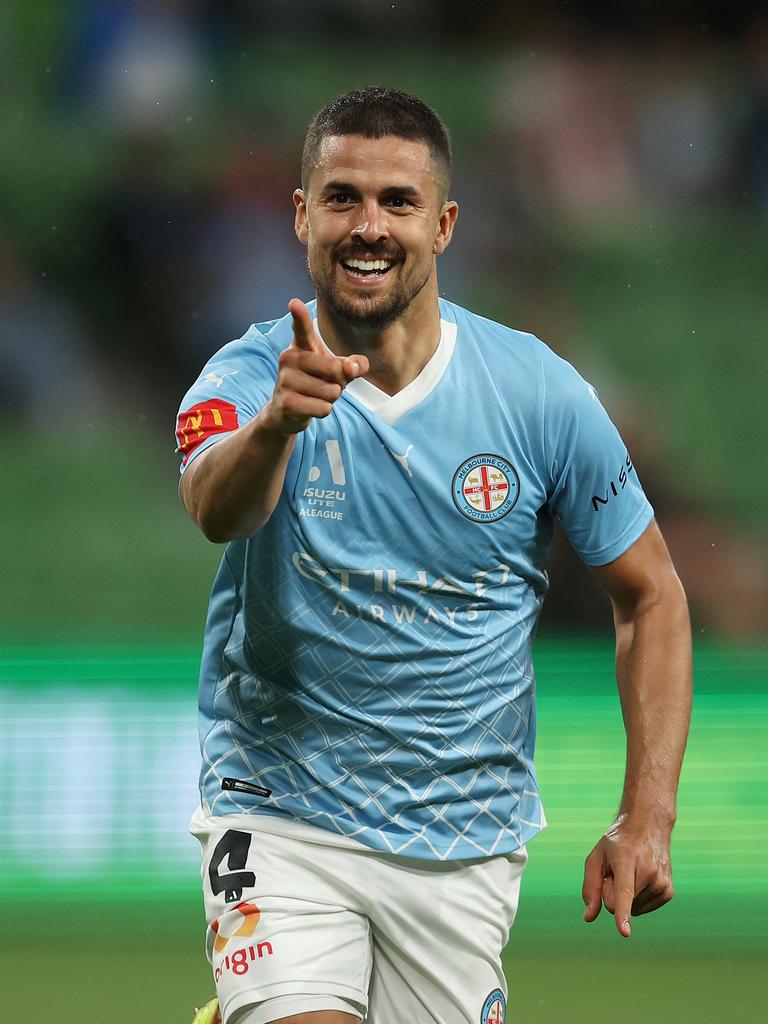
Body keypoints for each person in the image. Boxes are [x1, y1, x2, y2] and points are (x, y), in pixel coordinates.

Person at [176, 87, 692, 1024]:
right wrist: (277, 427)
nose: (367, 226)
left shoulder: (539, 395)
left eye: (398, 202)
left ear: (444, 224)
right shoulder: (250, 376)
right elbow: (218, 510)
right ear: (301, 215)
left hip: (462, 837)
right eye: (341, 197)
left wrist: (645, 815)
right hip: (280, 806)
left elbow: (652, 594)